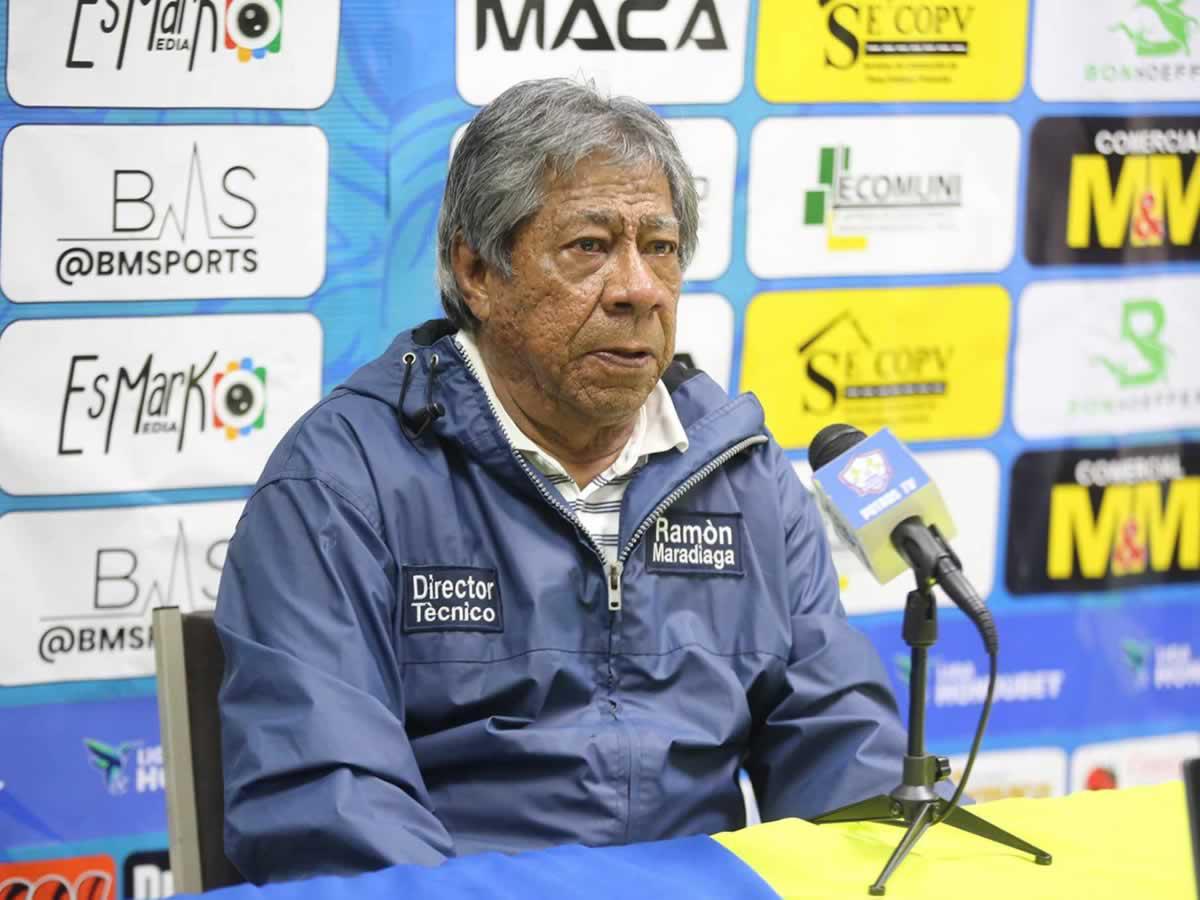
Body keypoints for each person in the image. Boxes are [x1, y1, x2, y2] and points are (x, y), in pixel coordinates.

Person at [215, 78, 909, 885]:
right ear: (477, 272)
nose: (638, 289)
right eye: (589, 246)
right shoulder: (342, 481)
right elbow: (327, 804)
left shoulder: (740, 472)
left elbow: (840, 746)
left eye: (660, 248)